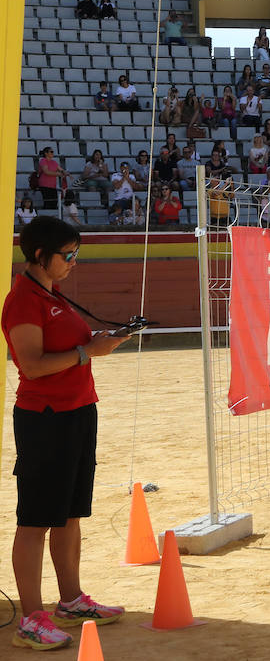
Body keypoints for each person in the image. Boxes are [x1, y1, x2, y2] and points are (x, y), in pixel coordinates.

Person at [4, 217, 133, 650]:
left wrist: (97, 341)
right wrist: (86, 351)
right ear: (41, 256)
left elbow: (66, 349)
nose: (74, 262)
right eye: (69, 255)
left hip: (77, 411)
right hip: (46, 417)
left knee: (71, 512)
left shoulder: (49, 294)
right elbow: (33, 364)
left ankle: (71, 600)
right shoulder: (24, 299)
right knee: (36, 519)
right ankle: (31, 618)